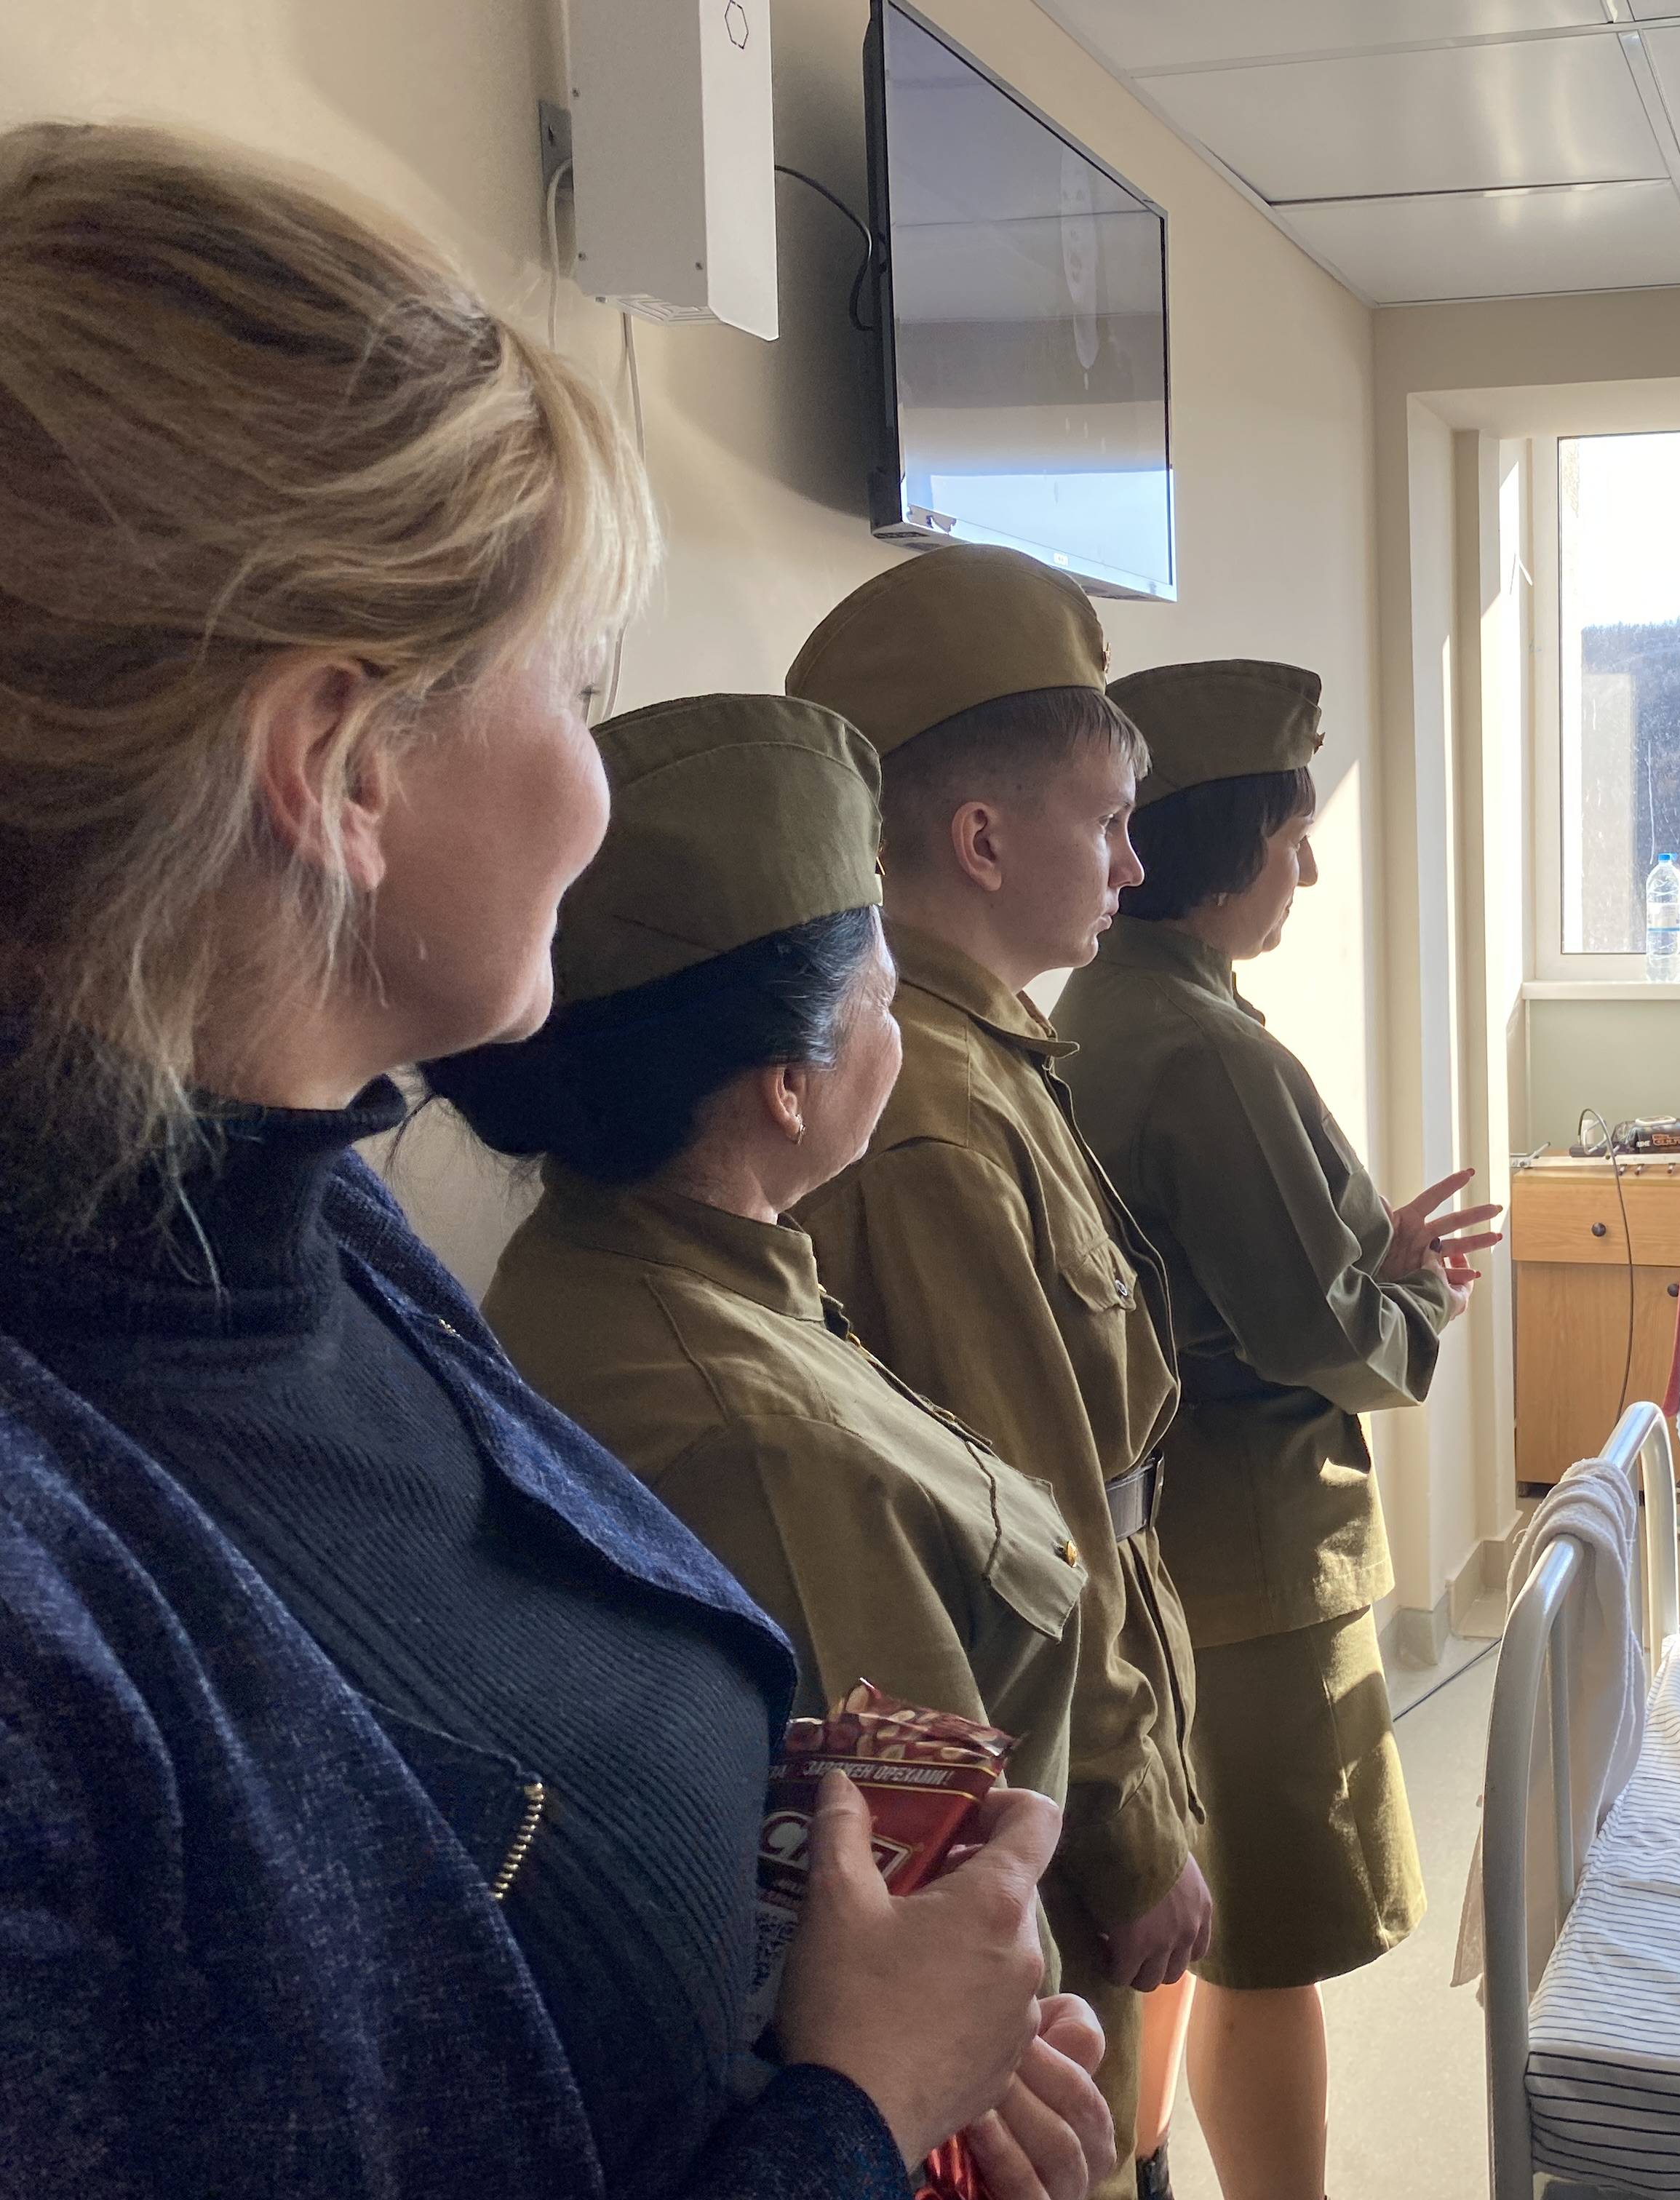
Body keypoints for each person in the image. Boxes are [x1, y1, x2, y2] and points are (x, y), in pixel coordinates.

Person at [0, 121, 1101, 2199]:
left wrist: (801, 1947)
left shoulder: (309, 1222)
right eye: (574, 688)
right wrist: (856, 2111)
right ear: (340, 769)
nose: (597, 790)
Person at [425, 695, 1094, 1985]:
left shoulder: (619, 1267)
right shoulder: (762, 1445)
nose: (903, 1036)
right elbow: (914, 1936)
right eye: (886, 1001)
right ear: (789, 1083)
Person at [785, 547, 1207, 2200]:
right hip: (1033, 1770)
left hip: (1086, 1713)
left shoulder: (987, 1054)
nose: (1133, 863)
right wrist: (1130, 1823)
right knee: (1072, 2150)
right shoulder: (938, 1113)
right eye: (1106, 822)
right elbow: (1032, 1524)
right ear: (980, 839)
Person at [1052, 659, 1502, 2200]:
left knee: (1178, 1911)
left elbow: (1210, 1276)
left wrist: (1365, 1250)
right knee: (1265, 1941)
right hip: (1253, 1555)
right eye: (1292, 837)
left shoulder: (1102, 1008)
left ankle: (1140, 2163)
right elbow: (1326, 1341)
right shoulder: (1212, 1052)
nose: (1306, 871)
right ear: (1223, 843)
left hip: (1158, 1543)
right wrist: (1415, 1296)